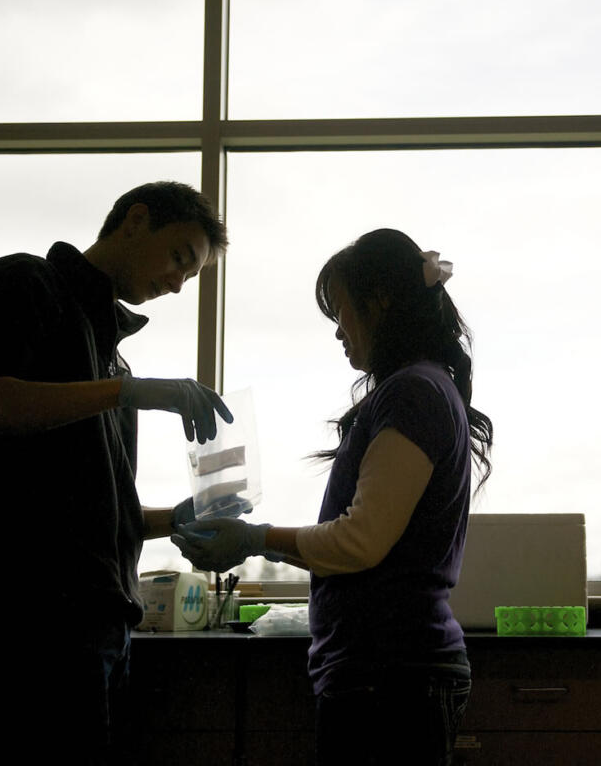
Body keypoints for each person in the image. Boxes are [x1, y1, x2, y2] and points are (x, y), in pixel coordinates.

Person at [0, 180, 234, 764]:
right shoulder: (24, 283)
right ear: (135, 220)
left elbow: (83, 508)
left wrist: (174, 521)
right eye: (178, 258)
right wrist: (126, 393)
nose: (176, 283)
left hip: (102, 627)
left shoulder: (112, 355)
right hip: (31, 625)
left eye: (189, 276)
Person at [173, 228, 494, 766]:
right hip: (386, 675)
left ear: (380, 303)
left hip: (391, 679)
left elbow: (360, 541)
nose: (339, 331)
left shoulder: (412, 393)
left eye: (342, 311)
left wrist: (255, 540)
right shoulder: (418, 388)